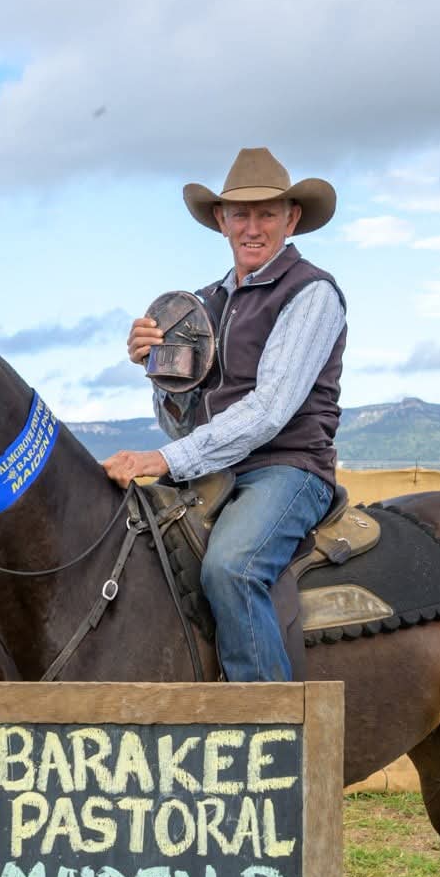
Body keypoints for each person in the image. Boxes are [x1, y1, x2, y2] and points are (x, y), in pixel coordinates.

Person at [101, 146, 345, 683]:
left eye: (267, 214)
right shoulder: (199, 305)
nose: (252, 228)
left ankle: (269, 721)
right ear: (221, 220)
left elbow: (269, 411)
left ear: (291, 219)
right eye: (240, 215)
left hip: (289, 469)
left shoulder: (312, 294)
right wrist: (157, 371)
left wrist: (162, 460)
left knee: (232, 567)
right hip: (213, 471)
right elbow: (182, 422)